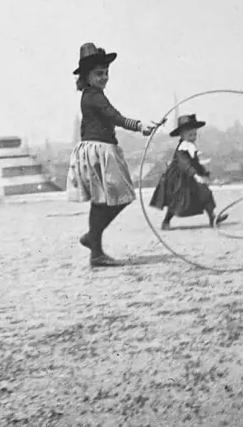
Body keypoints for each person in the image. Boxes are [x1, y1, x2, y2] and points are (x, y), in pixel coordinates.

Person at [66, 42, 162, 267]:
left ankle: (95, 248)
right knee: (120, 197)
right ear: (87, 76)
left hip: (96, 149)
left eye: (106, 72)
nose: (104, 77)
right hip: (100, 150)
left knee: (102, 201)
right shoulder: (94, 96)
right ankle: (94, 241)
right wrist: (139, 126)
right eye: (99, 73)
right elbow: (114, 116)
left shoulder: (91, 95)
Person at [149, 114, 228, 230]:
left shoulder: (190, 146)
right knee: (177, 200)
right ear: (182, 135)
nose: (193, 137)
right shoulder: (182, 148)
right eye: (190, 135)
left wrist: (204, 174)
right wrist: (196, 175)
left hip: (190, 174)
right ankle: (166, 222)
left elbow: (195, 163)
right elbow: (185, 164)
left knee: (205, 193)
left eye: (195, 134)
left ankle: (213, 218)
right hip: (179, 178)